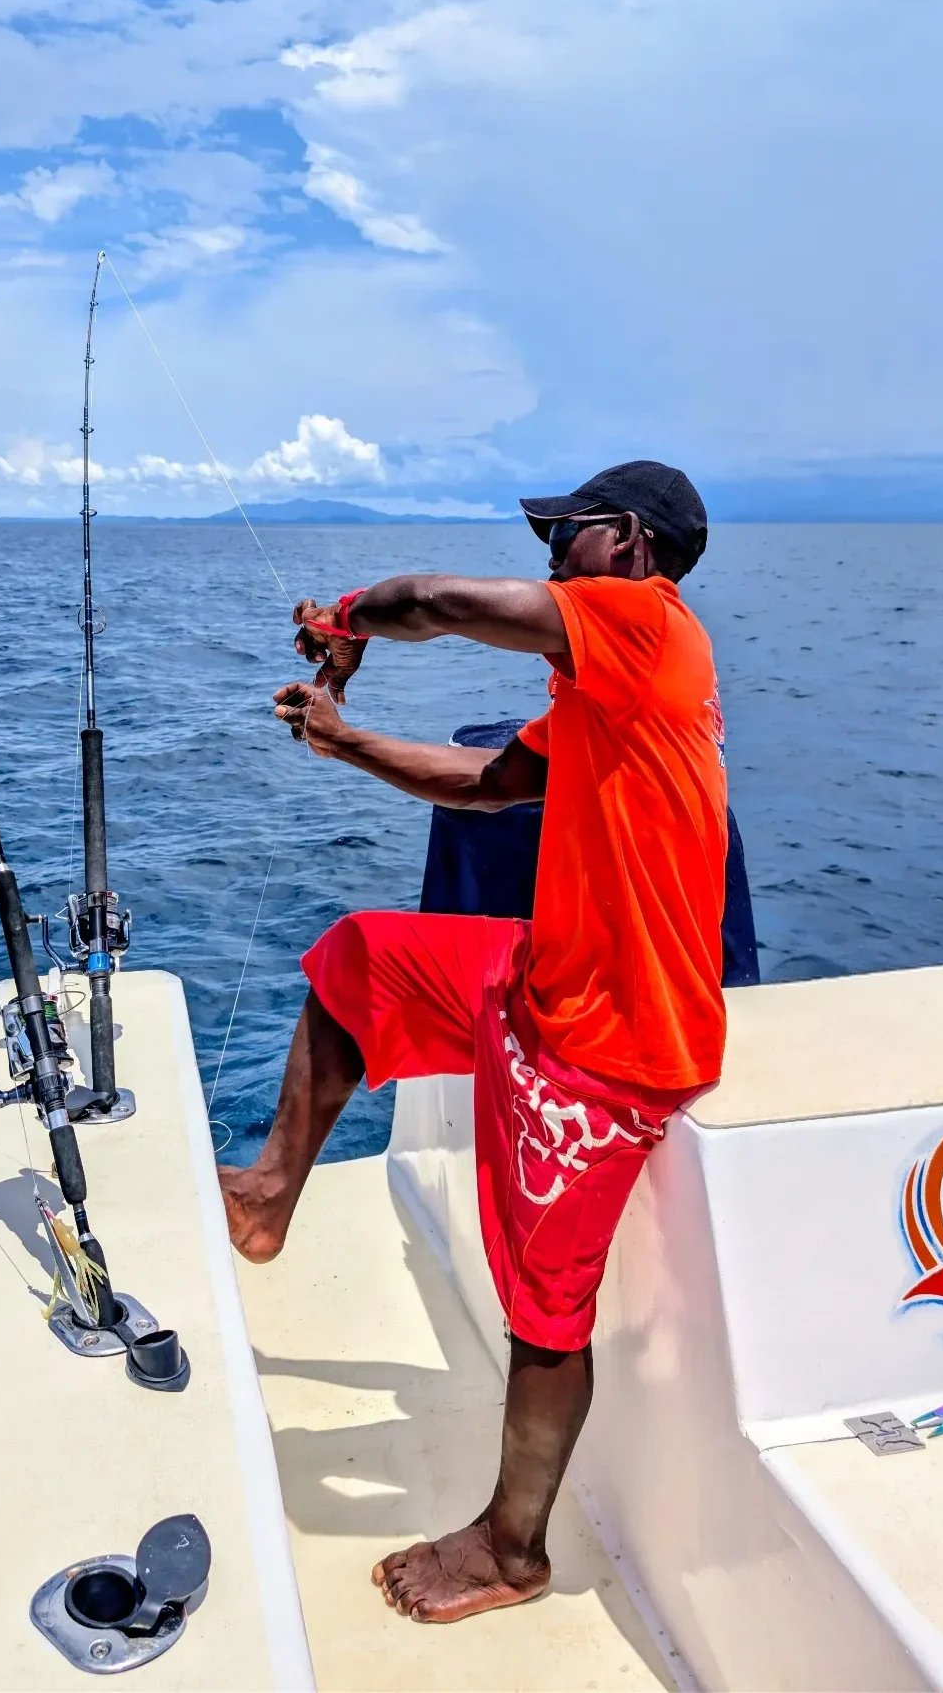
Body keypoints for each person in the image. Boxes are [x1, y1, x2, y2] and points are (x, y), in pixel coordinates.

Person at [219, 459, 728, 1625]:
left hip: (619, 1037)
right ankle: (266, 1193)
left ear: (633, 547)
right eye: (543, 531)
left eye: (570, 530)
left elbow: (445, 603)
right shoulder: (603, 678)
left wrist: (345, 619)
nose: (551, 547)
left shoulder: (645, 625)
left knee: (546, 1309)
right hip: (539, 976)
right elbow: (493, 783)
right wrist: (345, 739)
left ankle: (512, 1547)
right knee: (360, 957)